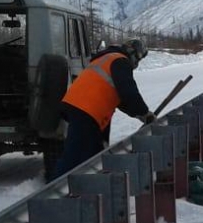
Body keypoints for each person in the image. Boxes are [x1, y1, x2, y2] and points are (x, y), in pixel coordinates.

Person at [53, 38, 155, 179]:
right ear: (133, 54)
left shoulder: (107, 58)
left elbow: (121, 99)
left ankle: (83, 184)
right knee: (77, 156)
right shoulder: (120, 61)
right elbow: (128, 92)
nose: (136, 63)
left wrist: (141, 115)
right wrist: (144, 113)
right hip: (87, 110)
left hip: (77, 106)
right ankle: (59, 186)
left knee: (90, 152)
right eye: (138, 59)